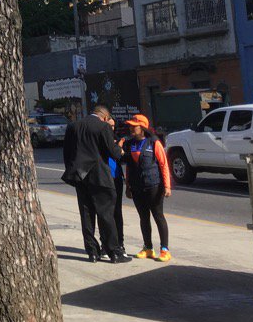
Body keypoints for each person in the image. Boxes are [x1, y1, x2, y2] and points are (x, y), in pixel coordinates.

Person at [61, 104, 130, 263]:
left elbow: (67, 152)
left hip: (80, 176)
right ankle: (113, 252)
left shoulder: (73, 126)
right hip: (100, 176)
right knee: (106, 214)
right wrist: (120, 150)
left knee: (86, 215)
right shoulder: (103, 127)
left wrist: (72, 172)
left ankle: (92, 252)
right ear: (105, 117)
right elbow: (112, 152)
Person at [122, 114, 172, 262]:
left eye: (134, 126)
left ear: (142, 127)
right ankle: (148, 248)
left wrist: (167, 186)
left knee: (158, 216)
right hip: (137, 187)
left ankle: (165, 249)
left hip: (154, 186)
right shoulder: (130, 144)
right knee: (144, 218)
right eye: (130, 125)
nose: (131, 128)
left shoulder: (154, 142)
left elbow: (163, 165)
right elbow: (129, 167)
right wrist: (128, 186)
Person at [107, 116, 126, 259]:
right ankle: (106, 244)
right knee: (105, 213)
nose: (111, 128)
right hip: (104, 180)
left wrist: (120, 147)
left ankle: (120, 243)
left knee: (117, 212)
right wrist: (117, 147)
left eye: (113, 126)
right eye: (109, 125)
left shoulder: (117, 139)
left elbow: (122, 157)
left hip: (116, 178)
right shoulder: (100, 139)